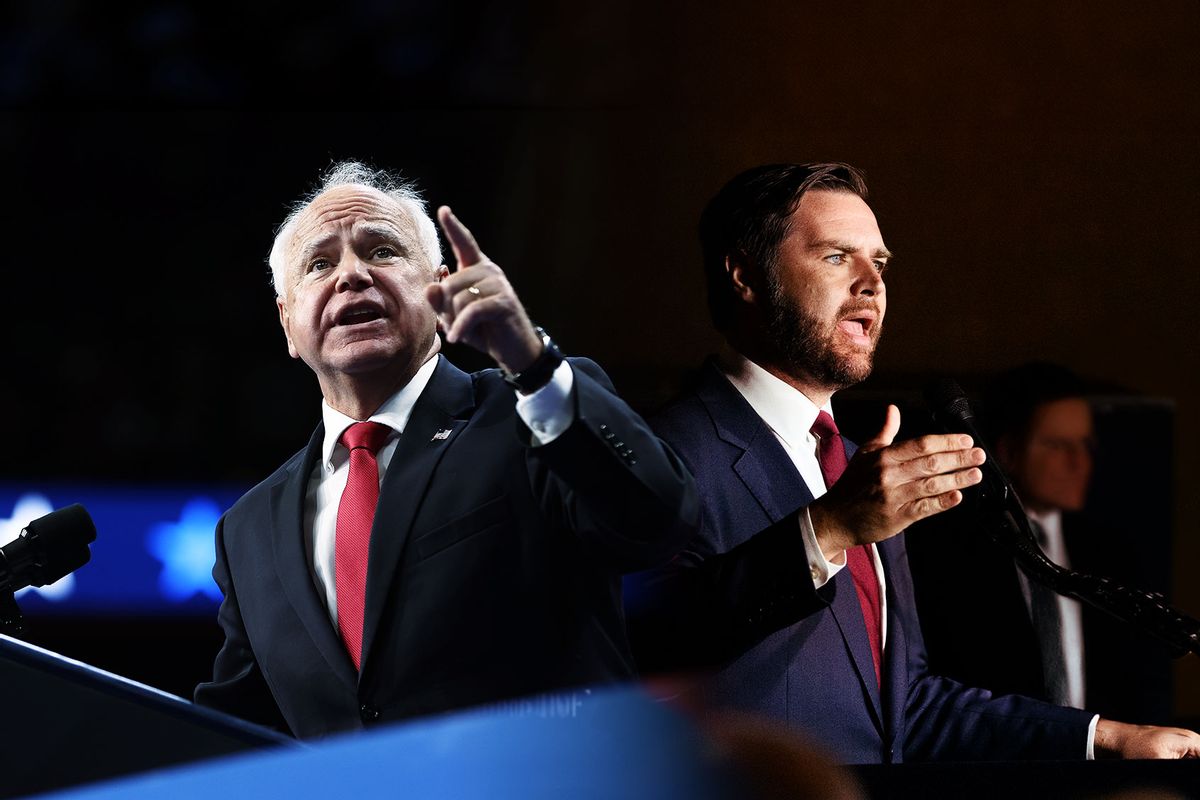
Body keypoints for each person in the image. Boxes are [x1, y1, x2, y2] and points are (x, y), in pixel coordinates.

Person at [629, 163, 1200, 762]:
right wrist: (829, 530)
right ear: (744, 274)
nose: (871, 283)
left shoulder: (860, 470)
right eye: (835, 257)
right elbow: (638, 648)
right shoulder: (658, 453)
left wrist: (1106, 738)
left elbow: (906, 710)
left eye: (879, 262)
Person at [193, 162, 698, 738]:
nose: (351, 275)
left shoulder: (530, 412)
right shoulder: (248, 529)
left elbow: (658, 520)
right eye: (319, 263)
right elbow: (230, 731)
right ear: (287, 323)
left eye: (381, 251)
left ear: (438, 288)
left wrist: (530, 361)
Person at [908, 362, 1174, 723]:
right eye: (1058, 445)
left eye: (1084, 445)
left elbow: (1144, 679)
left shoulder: (1112, 554)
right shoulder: (947, 555)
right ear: (1009, 453)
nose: (1079, 461)